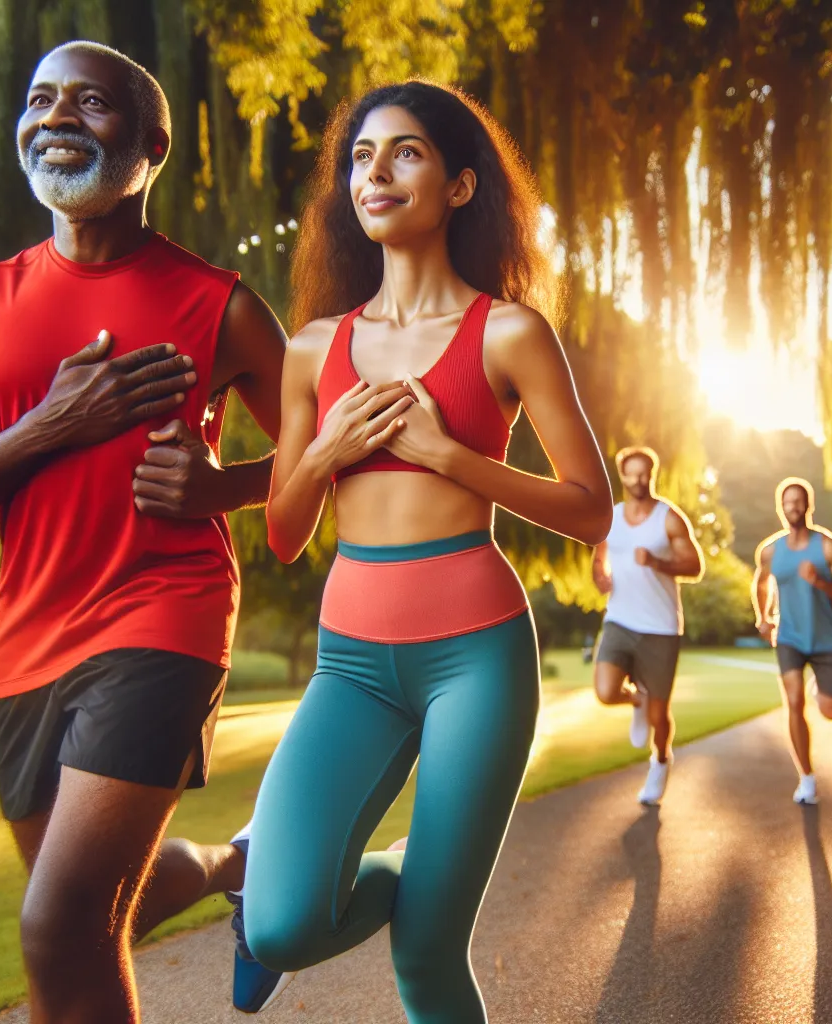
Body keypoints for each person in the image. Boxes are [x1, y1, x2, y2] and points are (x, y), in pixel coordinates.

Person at [0, 42, 287, 1023]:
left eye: (89, 102)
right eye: (40, 99)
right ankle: (239, 865)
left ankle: (237, 866)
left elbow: (338, 459)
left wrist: (223, 487)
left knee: (60, 925)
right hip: (27, 640)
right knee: (96, 914)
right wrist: (47, 428)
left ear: (150, 146)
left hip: (163, 612)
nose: (56, 116)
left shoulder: (217, 303)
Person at [233, 81, 609, 1022]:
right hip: (350, 662)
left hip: (474, 655)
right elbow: (284, 533)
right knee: (280, 925)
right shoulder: (313, 348)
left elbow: (591, 509)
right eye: (361, 157)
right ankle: (408, 866)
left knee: (428, 954)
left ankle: (430, 884)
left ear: (461, 186)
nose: (376, 173)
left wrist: (454, 457)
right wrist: (327, 451)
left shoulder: (511, 332)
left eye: (405, 153)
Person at [590, 445, 705, 805]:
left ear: (652, 476)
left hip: (661, 627)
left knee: (660, 715)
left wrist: (657, 561)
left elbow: (695, 566)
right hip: (619, 619)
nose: (639, 480)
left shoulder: (668, 518)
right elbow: (599, 561)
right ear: (622, 476)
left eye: (645, 474)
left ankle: (660, 761)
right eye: (632, 473)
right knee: (607, 691)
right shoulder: (612, 517)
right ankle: (633, 698)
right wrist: (601, 580)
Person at [751, 477, 832, 805]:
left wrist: (821, 583)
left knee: (828, 711)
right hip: (789, 638)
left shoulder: (828, 546)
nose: (793, 507)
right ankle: (807, 778)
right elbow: (760, 583)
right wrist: (763, 616)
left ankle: (819, 689)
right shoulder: (770, 550)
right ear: (780, 508)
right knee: (794, 702)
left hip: (828, 640)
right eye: (787, 502)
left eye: (798, 501)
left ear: (808, 505)